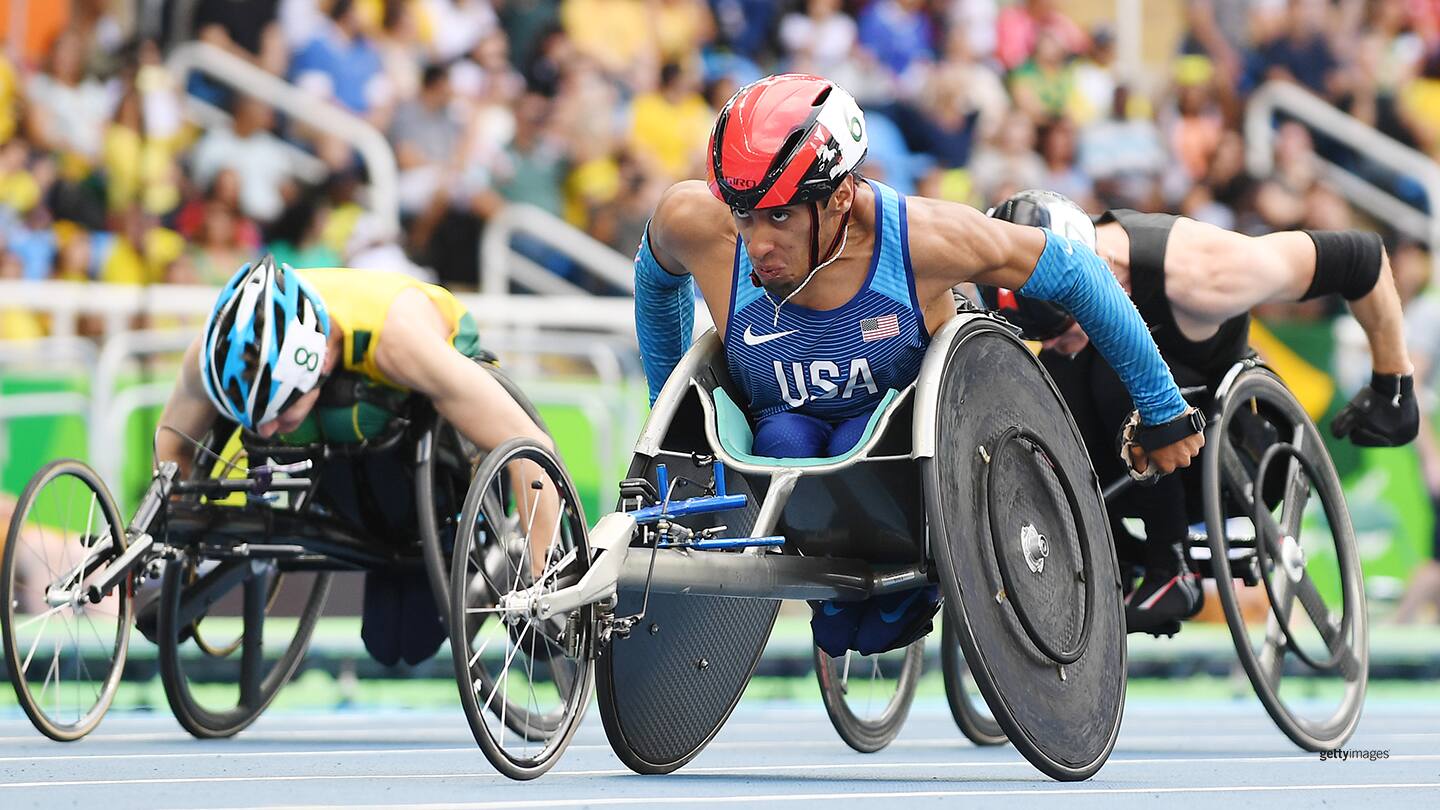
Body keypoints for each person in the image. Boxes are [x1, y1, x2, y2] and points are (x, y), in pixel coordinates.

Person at [633, 74, 1205, 658]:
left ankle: (906, 580)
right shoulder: (694, 222)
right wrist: (671, 412)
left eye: (779, 217)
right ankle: (831, 575)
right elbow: (655, 281)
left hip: (894, 442)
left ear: (839, 198)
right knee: (787, 450)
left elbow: (1079, 273)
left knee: (866, 542)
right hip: (785, 438)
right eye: (744, 215)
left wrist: (1161, 407)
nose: (755, 243)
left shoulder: (924, 239)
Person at [985, 189, 1417, 635]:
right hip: (1131, 461)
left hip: (1231, 454)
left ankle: (1169, 569)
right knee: (1050, 371)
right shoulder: (1060, 249)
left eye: (1058, 329)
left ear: (1100, 273)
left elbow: (1361, 258)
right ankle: (1103, 548)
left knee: (1111, 355)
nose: (1052, 341)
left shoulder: (1203, 270)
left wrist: (1392, 385)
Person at [150, 255, 553, 665]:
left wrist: (543, 581)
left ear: (321, 361)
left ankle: (503, 560)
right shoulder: (217, 352)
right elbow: (171, 447)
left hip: (442, 478)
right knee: (387, 644)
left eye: (280, 412)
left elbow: (532, 446)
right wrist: (178, 557)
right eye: (253, 418)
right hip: (353, 485)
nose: (266, 432)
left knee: (411, 640)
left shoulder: (401, 342)